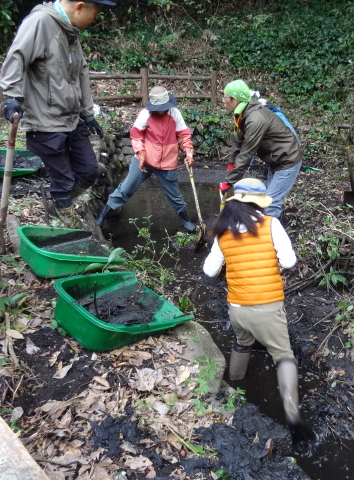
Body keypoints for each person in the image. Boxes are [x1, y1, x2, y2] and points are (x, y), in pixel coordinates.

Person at [0, 0, 115, 228]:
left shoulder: (70, 32)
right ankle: (66, 220)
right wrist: (12, 97)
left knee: (90, 170)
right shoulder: (41, 22)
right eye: (96, 12)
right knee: (63, 180)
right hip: (45, 120)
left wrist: (88, 113)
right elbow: (17, 56)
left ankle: (61, 202)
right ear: (80, 6)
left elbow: (81, 73)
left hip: (71, 118)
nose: (95, 20)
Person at [202, 178, 303, 427]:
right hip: (267, 306)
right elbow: (289, 262)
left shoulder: (223, 231)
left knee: (242, 343)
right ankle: (292, 414)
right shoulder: (271, 224)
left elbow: (208, 270)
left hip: (237, 308)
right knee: (283, 355)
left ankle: (235, 386)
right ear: (260, 204)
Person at [94, 86, 196, 231]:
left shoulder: (175, 114)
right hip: (144, 160)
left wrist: (189, 152)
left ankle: (185, 221)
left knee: (175, 196)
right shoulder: (145, 114)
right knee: (126, 189)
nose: (162, 110)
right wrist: (141, 153)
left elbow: (184, 135)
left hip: (168, 162)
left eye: (164, 107)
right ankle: (101, 218)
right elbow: (136, 135)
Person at [220, 80, 303, 219]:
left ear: (235, 100)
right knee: (269, 200)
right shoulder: (242, 113)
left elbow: (247, 152)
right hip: (275, 159)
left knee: (270, 203)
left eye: (224, 97)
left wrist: (230, 182)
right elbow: (238, 143)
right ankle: (272, 226)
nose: (222, 101)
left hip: (287, 160)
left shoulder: (255, 119)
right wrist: (231, 164)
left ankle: (271, 237)